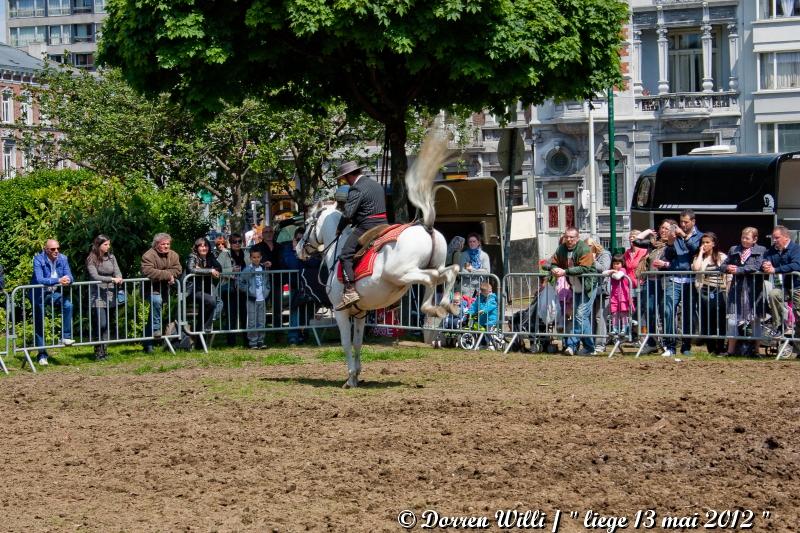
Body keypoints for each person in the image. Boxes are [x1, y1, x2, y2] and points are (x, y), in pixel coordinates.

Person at [335, 160, 388, 310]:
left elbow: (348, 213)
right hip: (384, 223)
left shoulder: (356, 188)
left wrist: (339, 229)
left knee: (345, 255)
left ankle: (350, 290)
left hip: (367, 226)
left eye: (344, 178)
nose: (345, 181)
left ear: (348, 176)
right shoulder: (376, 185)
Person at [542, 227, 597, 355]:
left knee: (580, 316)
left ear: (577, 238)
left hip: (588, 287)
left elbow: (584, 268)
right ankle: (586, 347)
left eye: (572, 237)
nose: (569, 239)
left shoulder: (584, 249)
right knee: (581, 318)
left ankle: (577, 346)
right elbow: (554, 262)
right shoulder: (562, 248)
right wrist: (554, 269)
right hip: (574, 287)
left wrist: (564, 271)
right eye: (567, 237)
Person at [719, 227, 767, 356]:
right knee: (732, 320)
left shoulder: (761, 250)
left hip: (753, 291)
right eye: (742, 237)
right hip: (737, 290)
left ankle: (757, 351)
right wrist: (727, 267)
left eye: (747, 238)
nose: (744, 240)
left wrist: (739, 270)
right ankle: (730, 351)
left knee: (755, 320)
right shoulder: (734, 249)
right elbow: (722, 265)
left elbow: (756, 266)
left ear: (755, 239)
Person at [653, 218, 695, 356]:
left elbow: (693, 252)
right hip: (672, 280)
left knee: (687, 315)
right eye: (682, 221)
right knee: (668, 311)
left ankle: (686, 346)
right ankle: (670, 346)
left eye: (686, 222)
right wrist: (671, 243)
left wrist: (684, 236)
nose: (683, 224)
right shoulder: (669, 241)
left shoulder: (696, 237)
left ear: (693, 222)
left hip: (689, 281)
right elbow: (669, 257)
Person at [29, 239, 74, 366]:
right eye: (53, 249)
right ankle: (42, 355)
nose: (56, 251)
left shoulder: (63, 258)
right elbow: (39, 279)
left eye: (58, 248)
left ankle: (65, 337)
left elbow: (70, 276)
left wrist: (67, 280)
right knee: (40, 323)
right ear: (46, 249)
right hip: (38, 293)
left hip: (51, 293)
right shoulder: (39, 259)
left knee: (68, 305)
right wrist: (58, 280)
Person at [140, 233, 182, 354]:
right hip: (151, 289)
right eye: (163, 244)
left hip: (165, 290)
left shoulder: (173, 255)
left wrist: (168, 274)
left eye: (168, 244)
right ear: (156, 244)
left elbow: (178, 269)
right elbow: (148, 271)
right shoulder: (148, 255)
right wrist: (168, 275)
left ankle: (147, 344)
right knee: (156, 302)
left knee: (152, 316)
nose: (166, 246)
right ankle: (156, 330)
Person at [86, 235, 123, 361]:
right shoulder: (91, 259)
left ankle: (104, 350)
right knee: (101, 324)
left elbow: (117, 272)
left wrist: (118, 278)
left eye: (109, 244)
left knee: (107, 325)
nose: (108, 247)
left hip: (110, 295)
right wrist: (111, 279)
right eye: (105, 244)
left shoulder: (112, 257)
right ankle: (98, 349)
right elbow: (94, 276)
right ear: (98, 245)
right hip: (97, 296)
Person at [691, 232, 728, 355]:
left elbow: (728, 275)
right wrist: (701, 253)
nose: (705, 245)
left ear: (714, 243)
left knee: (720, 320)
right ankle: (711, 348)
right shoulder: (699, 256)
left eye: (707, 242)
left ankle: (721, 347)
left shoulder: (722, 257)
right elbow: (696, 268)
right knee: (707, 320)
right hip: (704, 290)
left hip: (719, 290)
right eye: (703, 242)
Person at [635, 225, 668, 354]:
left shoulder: (672, 245)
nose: (663, 231)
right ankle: (652, 342)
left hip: (664, 282)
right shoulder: (653, 244)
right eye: (662, 228)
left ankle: (667, 342)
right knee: (649, 310)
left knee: (664, 312)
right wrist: (647, 231)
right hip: (650, 281)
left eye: (666, 228)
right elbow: (636, 241)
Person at [763, 225, 800, 339]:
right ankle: (779, 326)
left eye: (777, 238)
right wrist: (766, 264)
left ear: (786, 237)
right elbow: (765, 258)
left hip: (797, 286)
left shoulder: (796, 249)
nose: (774, 240)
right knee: (773, 294)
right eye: (773, 238)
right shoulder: (772, 250)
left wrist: (776, 269)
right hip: (783, 287)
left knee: (798, 316)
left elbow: (796, 265)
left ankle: (798, 349)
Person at [216, 232, 249, 346]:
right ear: (230, 243)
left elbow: (251, 268)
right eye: (234, 242)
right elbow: (217, 270)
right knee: (231, 314)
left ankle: (247, 340)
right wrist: (231, 272)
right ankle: (231, 342)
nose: (237, 244)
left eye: (239, 241)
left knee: (245, 314)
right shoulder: (224, 255)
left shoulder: (246, 254)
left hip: (244, 288)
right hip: (229, 288)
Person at [184, 237, 222, 334]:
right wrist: (210, 270)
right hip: (192, 290)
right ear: (196, 248)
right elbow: (191, 269)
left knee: (205, 310)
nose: (203, 248)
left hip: (205, 289)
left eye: (205, 246)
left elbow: (219, 268)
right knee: (211, 301)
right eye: (201, 246)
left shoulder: (210, 256)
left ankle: (200, 338)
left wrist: (202, 269)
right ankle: (206, 327)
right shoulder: (192, 256)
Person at [251, 225, 283, 327]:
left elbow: (283, 262)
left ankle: (278, 332)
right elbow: (251, 263)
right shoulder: (256, 248)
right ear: (262, 235)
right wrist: (262, 264)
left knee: (277, 307)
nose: (268, 234)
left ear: (273, 233)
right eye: (266, 232)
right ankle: (261, 330)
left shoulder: (279, 247)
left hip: (277, 281)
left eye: (270, 232)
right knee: (261, 307)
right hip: (262, 282)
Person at [239, 248, 269, 349]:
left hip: (262, 299)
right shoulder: (248, 269)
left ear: (261, 258)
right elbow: (240, 282)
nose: (256, 259)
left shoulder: (263, 269)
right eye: (254, 257)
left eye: (258, 257)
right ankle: (253, 342)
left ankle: (261, 341)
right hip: (251, 299)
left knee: (261, 321)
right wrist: (248, 291)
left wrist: (267, 291)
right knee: (252, 321)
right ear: (250, 258)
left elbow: (267, 282)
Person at [587, 238, 611, 354]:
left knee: (600, 317)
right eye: (586, 245)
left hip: (603, 291)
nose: (588, 247)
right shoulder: (585, 255)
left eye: (589, 245)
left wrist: (592, 260)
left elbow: (604, 269)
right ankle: (590, 343)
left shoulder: (605, 254)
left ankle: (600, 344)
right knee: (590, 317)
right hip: (590, 290)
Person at [602, 254, 634, 338]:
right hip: (614, 295)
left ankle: (624, 327)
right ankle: (615, 328)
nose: (616, 265)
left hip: (623, 295)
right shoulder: (613, 270)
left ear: (622, 263)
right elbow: (604, 273)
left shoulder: (623, 270)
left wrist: (612, 272)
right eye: (614, 263)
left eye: (618, 263)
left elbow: (617, 276)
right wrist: (612, 271)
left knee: (623, 312)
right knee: (614, 312)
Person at [467, 281, 498, 348]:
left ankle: (492, 344)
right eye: (487, 292)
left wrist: (484, 310)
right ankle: (483, 343)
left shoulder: (492, 298)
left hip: (490, 319)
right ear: (483, 292)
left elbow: (490, 305)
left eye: (490, 291)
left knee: (488, 332)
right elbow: (474, 306)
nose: (490, 293)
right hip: (482, 319)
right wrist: (469, 312)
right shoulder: (480, 298)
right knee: (478, 329)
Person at [462, 232, 491, 296]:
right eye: (470, 242)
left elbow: (487, 272)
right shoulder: (464, 255)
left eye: (474, 241)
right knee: (467, 305)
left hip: (481, 286)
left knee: (481, 305)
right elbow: (464, 272)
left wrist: (471, 269)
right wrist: (480, 271)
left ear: (478, 243)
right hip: (467, 286)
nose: (472, 243)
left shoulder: (484, 255)